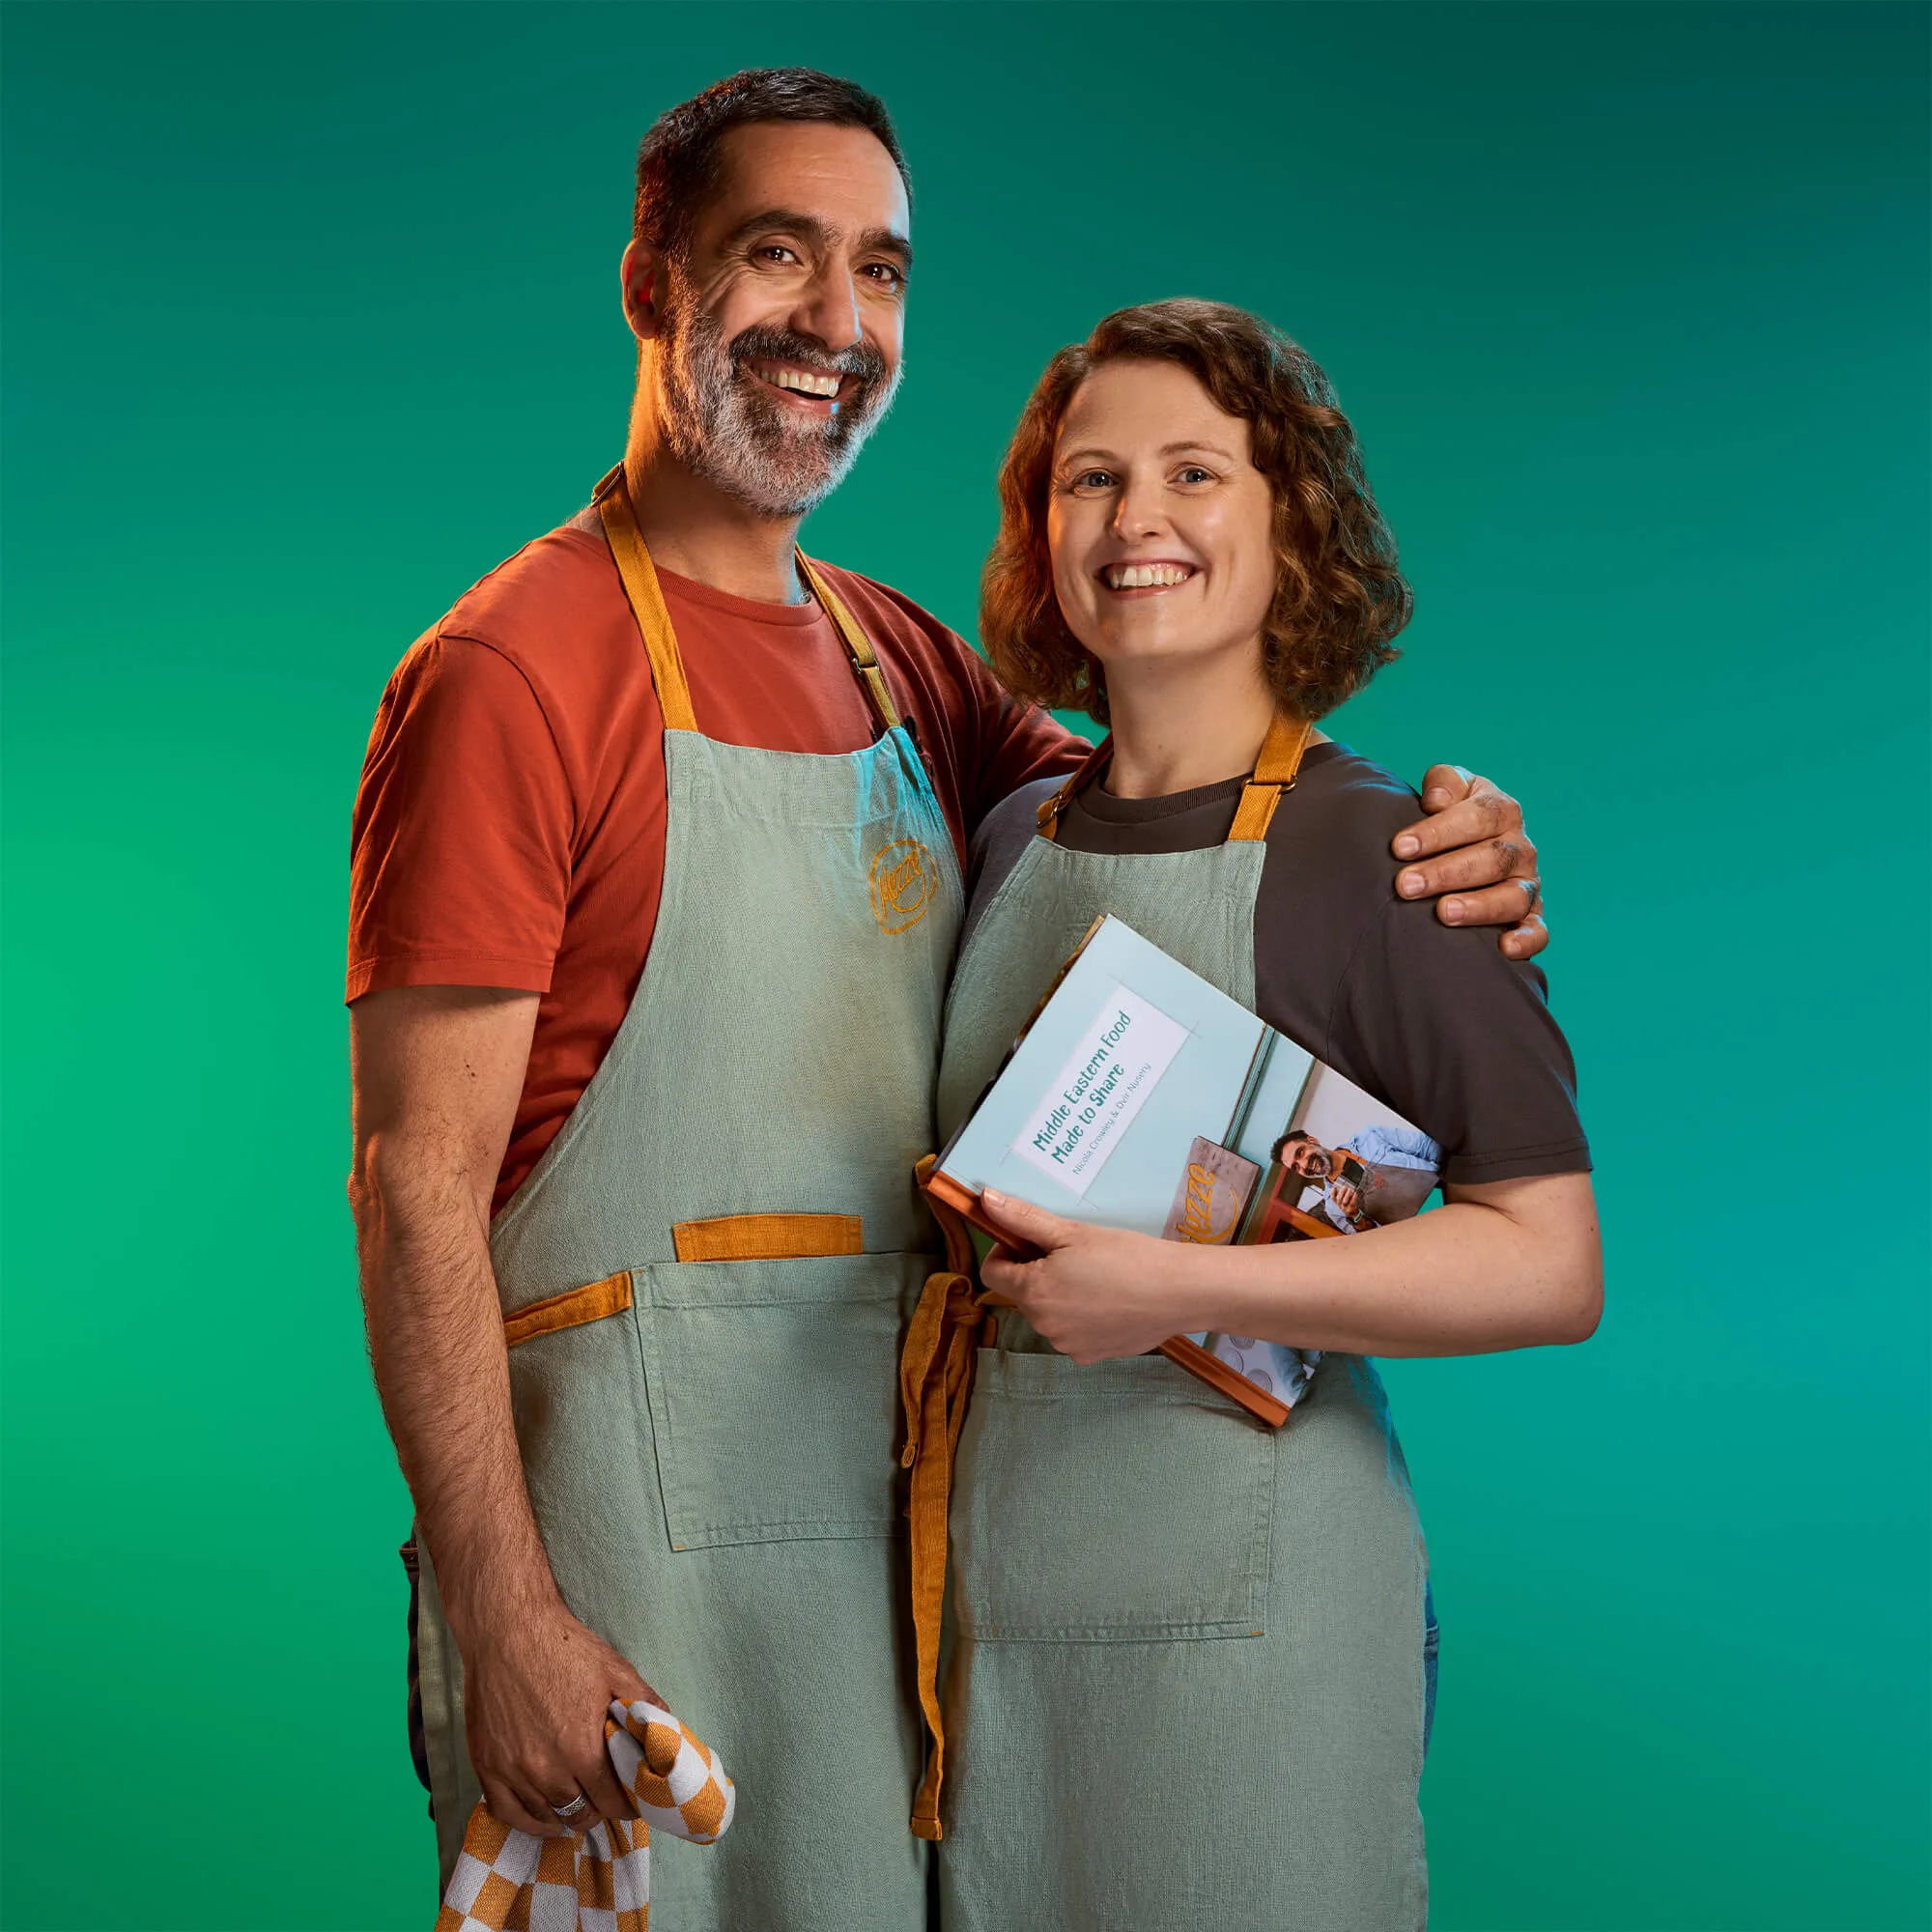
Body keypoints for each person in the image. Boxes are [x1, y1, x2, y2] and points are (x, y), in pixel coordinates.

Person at [347, 71, 1555, 1932]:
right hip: (626, 1553)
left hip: (894, 1561)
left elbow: (1176, 796)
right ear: (649, 287)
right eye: (777, 256)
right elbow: (414, 1186)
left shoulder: (896, 658)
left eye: (883, 273)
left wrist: (1426, 828)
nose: (840, 325)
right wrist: (503, 1617)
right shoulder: (515, 674)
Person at [921, 299, 1601, 1928]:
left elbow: (1547, 1262)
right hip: (998, 1627)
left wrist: (1184, 1288)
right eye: (1090, 480)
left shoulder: (1388, 861)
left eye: (1194, 474)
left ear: (1292, 531)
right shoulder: (1005, 836)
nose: (1136, 520)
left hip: (1263, 1625)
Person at [1274, 1122, 1441, 1230]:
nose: (1303, 1165)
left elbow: (1426, 1147)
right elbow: (1374, 1241)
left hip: (1441, 1195)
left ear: (1313, 1140)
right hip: (1417, 1232)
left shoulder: (1370, 1137)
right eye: (1296, 1167)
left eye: (1300, 1152)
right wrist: (1355, 1215)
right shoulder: (1334, 1207)